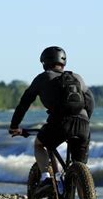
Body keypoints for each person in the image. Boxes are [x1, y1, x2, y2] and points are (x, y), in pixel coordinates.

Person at [9, 46, 94, 188]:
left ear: (44, 63)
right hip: (83, 125)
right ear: (63, 62)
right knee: (79, 170)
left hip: (60, 123)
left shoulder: (43, 77)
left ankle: (46, 177)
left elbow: (24, 103)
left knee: (40, 144)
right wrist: (85, 120)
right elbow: (90, 101)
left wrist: (14, 126)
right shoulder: (77, 77)